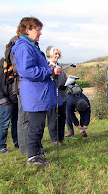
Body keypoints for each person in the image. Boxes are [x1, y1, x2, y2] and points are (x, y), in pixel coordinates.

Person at [12, 17, 62, 166]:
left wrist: (50, 71)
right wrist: (49, 70)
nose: (40, 33)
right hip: (35, 94)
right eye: (38, 30)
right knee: (35, 125)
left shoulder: (31, 46)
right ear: (28, 30)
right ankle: (32, 158)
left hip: (39, 93)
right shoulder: (24, 47)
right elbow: (27, 71)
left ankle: (36, 154)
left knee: (39, 125)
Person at [46, 46, 68, 145]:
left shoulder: (59, 66)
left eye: (58, 54)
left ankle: (61, 137)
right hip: (52, 97)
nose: (58, 56)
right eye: (55, 54)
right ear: (49, 54)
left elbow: (64, 78)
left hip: (62, 96)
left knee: (62, 117)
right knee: (53, 119)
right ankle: (54, 139)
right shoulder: (46, 66)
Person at [0, 57, 18, 153]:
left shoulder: (16, 65)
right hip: (5, 99)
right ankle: (1, 146)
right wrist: (2, 98)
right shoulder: (2, 64)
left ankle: (17, 142)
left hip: (15, 98)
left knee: (16, 122)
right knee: (4, 124)